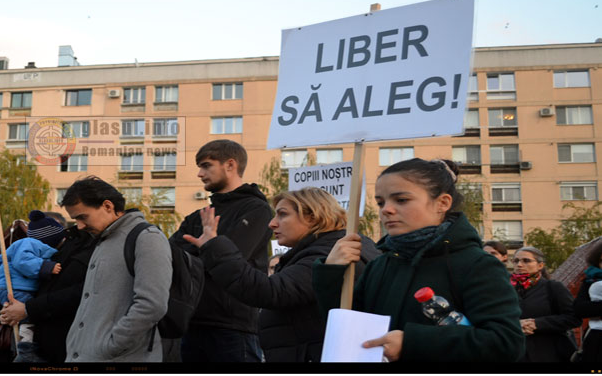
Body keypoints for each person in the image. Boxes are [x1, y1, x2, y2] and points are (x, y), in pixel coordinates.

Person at [312, 158, 525, 362]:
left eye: (401, 200)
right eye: (380, 202)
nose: (386, 209)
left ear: (442, 203)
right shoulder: (381, 264)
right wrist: (330, 273)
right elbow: (350, 327)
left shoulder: (478, 265)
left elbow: (506, 343)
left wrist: (412, 343)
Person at [183, 187, 380, 362]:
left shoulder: (329, 252)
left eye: (282, 215)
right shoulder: (324, 249)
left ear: (312, 216)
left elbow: (269, 291)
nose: (272, 224)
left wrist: (215, 246)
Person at [170, 139, 273, 362]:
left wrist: (205, 248)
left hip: (234, 326)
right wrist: (210, 246)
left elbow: (231, 259)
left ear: (230, 165)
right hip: (192, 322)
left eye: (206, 165)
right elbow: (172, 257)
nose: (199, 173)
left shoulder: (257, 209)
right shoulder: (197, 216)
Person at [61, 176, 172, 362]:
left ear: (107, 206)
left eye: (82, 217)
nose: (79, 226)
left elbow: (152, 305)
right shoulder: (102, 240)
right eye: (75, 220)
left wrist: (112, 345)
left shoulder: (147, 237)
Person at [0, 222, 100, 362]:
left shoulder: (97, 247)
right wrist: (7, 313)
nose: (80, 225)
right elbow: (33, 284)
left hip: (66, 342)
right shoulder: (62, 246)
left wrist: (28, 309)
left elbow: (82, 292)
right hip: (43, 340)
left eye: (82, 217)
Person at [0, 210, 66, 345]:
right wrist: (45, 267)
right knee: (26, 310)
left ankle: (25, 340)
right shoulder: (30, 244)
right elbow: (22, 260)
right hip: (16, 288)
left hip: (21, 289)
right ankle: (26, 342)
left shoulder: (43, 249)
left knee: (26, 309)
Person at [511, 246, 582, 362]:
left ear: (540, 265)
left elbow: (574, 318)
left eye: (526, 260)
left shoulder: (553, 287)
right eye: (516, 261)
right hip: (515, 352)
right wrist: (514, 325)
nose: (519, 264)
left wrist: (537, 323)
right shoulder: (506, 289)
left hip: (548, 351)